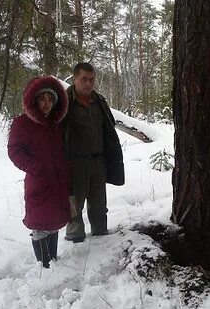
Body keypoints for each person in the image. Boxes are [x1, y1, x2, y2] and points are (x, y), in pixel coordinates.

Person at [8, 76, 71, 268]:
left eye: (51, 100)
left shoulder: (56, 123)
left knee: (53, 224)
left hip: (57, 183)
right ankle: (44, 266)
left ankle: (54, 261)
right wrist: (35, 168)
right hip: (39, 182)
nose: (47, 104)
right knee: (40, 226)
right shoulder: (22, 123)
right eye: (43, 99)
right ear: (34, 99)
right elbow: (14, 151)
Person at [62, 62, 124, 242]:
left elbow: (108, 128)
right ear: (75, 79)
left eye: (92, 79)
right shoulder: (64, 102)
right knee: (75, 205)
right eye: (84, 79)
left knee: (99, 205)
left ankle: (100, 236)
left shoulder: (99, 101)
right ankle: (76, 241)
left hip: (98, 162)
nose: (88, 83)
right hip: (76, 162)